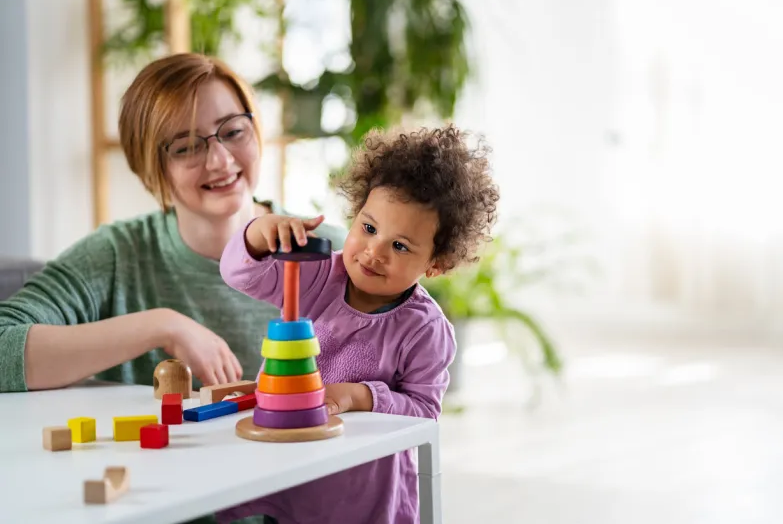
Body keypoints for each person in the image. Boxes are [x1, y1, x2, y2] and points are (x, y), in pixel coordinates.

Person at [0, 52, 344, 396]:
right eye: (186, 147)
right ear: (152, 167)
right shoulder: (117, 256)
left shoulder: (335, 253)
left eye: (234, 131)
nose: (221, 160)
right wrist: (161, 326)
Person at [217, 125, 501, 524]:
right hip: (289, 467)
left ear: (436, 265)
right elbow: (239, 274)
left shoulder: (425, 330)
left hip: (363, 492)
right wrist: (257, 236)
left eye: (399, 246)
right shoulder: (317, 274)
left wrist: (360, 396)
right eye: (368, 228)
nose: (373, 252)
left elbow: (422, 413)